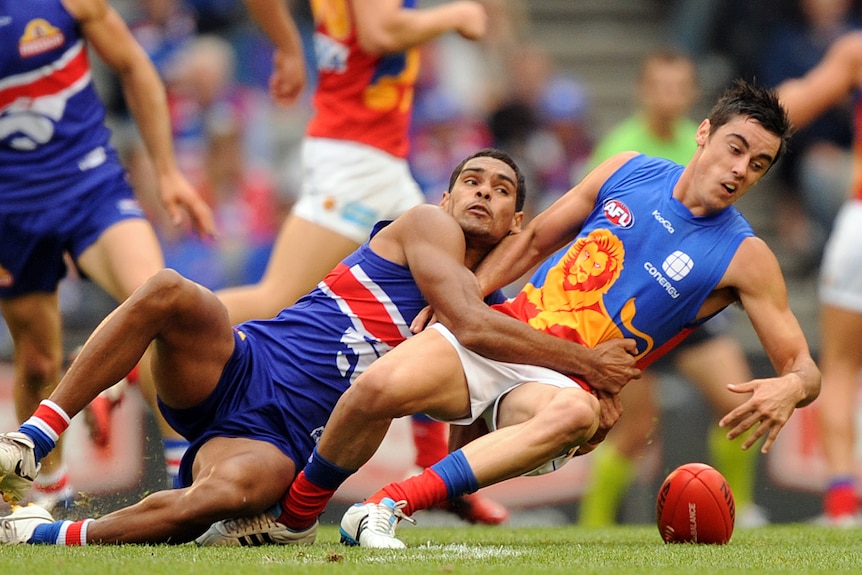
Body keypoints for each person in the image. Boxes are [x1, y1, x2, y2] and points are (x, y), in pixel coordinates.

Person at [206, 79, 820, 549]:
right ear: (705, 134)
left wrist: (790, 386)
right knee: (377, 387)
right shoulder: (628, 170)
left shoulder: (747, 255)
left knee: (579, 411)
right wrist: (462, 300)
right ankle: (293, 520)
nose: (741, 170)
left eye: (759, 164)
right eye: (737, 148)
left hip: (563, 383)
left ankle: (388, 504)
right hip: (506, 335)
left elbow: (805, 366)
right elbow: (529, 243)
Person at [0, 149, 638, 545]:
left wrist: (591, 407)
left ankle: (50, 535)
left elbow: (472, 418)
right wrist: (587, 365)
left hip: (280, 442)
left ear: (517, 224)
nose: (482, 193)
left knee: (223, 501)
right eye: (471, 181)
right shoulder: (427, 226)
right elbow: (469, 321)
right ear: (446, 196)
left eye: (501, 190)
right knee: (170, 290)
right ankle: (35, 436)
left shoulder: (500, 318)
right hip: (240, 365)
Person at [212, 0, 508, 524]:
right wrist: (454, 16)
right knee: (275, 295)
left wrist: (287, 47)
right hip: (354, 155)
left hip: (378, 156)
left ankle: (434, 466)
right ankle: (141, 344)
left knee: (443, 293)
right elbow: (379, 31)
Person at [0, 0, 217, 509]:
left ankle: (185, 487)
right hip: (10, 209)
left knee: (160, 303)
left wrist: (167, 170)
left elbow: (134, 64)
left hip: (90, 184)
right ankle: (52, 497)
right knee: (36, 361)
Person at [576, 49, 767, 528]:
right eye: (660, 86)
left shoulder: (713, 145)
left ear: (691, 97)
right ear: (644, 90)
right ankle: (592, 529)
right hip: (632, 306)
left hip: (692, 306)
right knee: (633, 427)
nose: (670, 96)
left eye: (679, 86)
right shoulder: (623, 147)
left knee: (739, 405)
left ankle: (739, 511)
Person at [776, 29, 862, 526]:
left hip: (860, 224)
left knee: (843, 366)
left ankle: (842, 505)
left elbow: (792, 106)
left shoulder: (855, 50)